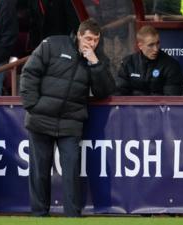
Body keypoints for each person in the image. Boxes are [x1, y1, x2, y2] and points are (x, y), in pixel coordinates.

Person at [19, 18, 115, 217]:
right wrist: (32, 106)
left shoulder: (98, 59)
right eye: (88, 38)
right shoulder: (53, 44)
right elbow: (29, 73)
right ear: (79, 35)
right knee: (39, 171)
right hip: (41, 118)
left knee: (71, 171)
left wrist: (95, 64)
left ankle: (72, 215)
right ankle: (39, 215)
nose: (92, 43)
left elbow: (103, 91)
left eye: (96, 40)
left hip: (71, 121)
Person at [116, 25, 183, 96]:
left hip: (159, 106)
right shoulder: (128, 63)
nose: (156, 49)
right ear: (140, 46)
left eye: (157, 43)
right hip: (133, 106)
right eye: (151, 45)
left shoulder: (171, 65)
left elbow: (171, 98)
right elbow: (120, 92)